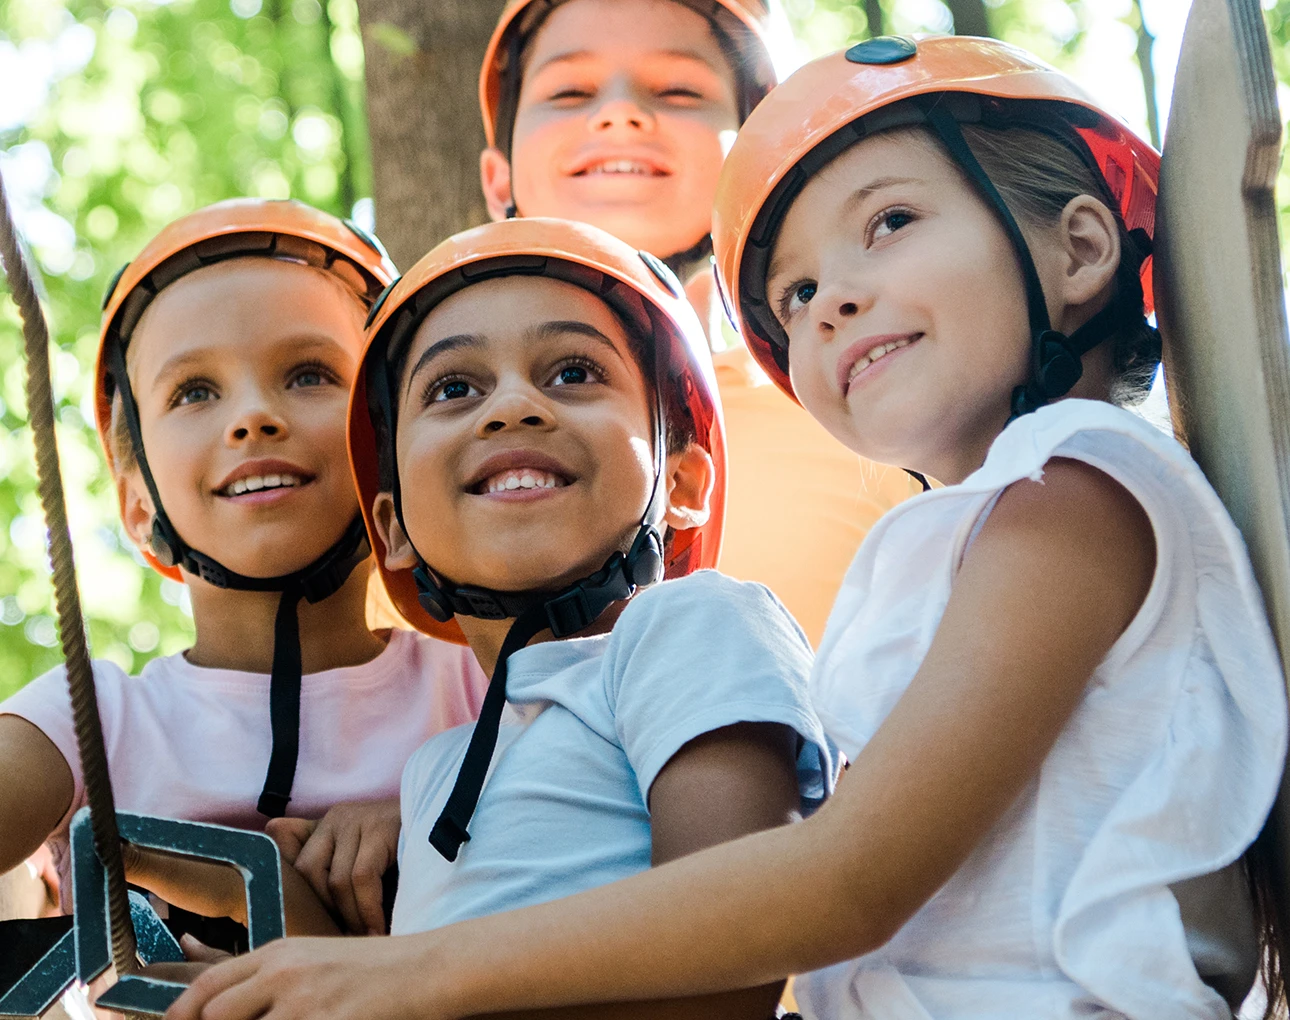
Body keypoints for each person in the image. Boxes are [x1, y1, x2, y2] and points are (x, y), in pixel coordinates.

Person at [167, 37, 1288, 1020]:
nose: (832, 301)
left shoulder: (1077, 495)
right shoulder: (982, 537)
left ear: (1082, 250)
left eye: (888, 223)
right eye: (794, 296)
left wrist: (411, 980)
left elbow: (847, 880)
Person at [167, 215, 832, 1018]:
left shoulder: (695, 626)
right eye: (455, 389)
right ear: (394, 530)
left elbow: (736, 945)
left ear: (684, 485)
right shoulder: (436, 773)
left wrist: (405, 979)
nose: (512, 406)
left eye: (573, 372)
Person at [0, 198, 487, 946]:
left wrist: (432, 812)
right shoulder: (89, 724)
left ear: (394, 448)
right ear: (137, 501)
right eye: (195, 391)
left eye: (310, 374)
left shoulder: (484, 687)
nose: (254, 416)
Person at [472, 0, 919, 645]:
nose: (619, 113)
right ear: (499, 179)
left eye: (679, 90)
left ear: (757, 164)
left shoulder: (862, 426)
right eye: (569, 91)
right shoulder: (422, 462)